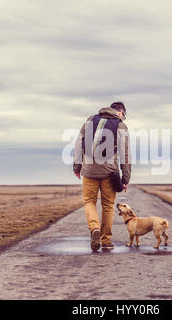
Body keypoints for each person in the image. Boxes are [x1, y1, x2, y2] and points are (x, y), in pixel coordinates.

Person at [73, 102, 131, 251]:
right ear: (120, 113)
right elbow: (125, 155)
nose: (123, 118)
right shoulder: (120, 126)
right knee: (108, 206)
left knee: (89, 202)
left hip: (89, 170)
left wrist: (77, 167)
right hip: (109, 173)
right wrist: (125, 179)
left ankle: (94, 229)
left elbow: (79, 144)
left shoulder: (89, 120)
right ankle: (106, 241)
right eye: (123, 115)